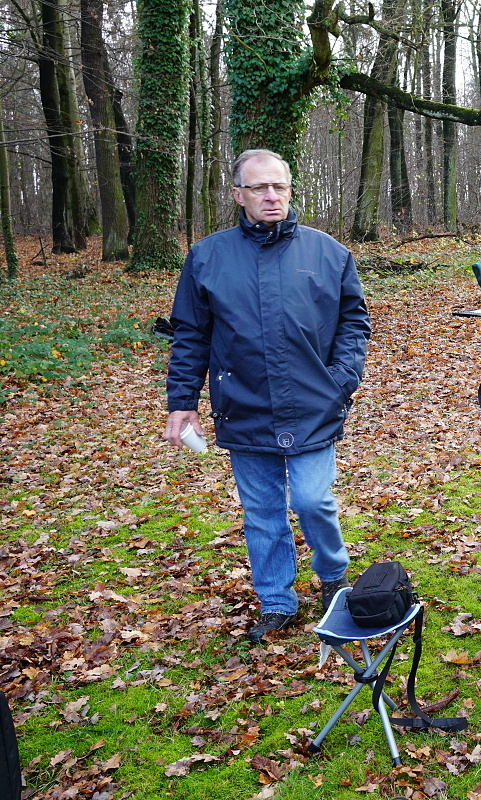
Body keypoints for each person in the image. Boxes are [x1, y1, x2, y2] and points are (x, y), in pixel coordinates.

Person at [164, 149, 371, 644]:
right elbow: (190, 334)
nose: (272, 196)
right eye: (259, 188)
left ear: (290, 189)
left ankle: (333, 575)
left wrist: (341, 379)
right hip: (243, 404)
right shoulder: (208, 256)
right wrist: (182, 401)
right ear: (239, 195)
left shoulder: (328, 253)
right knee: (262, 514)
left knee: (313, 500)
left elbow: (354, 321)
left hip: (313, 404)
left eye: (279, 186)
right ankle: (277, 601)